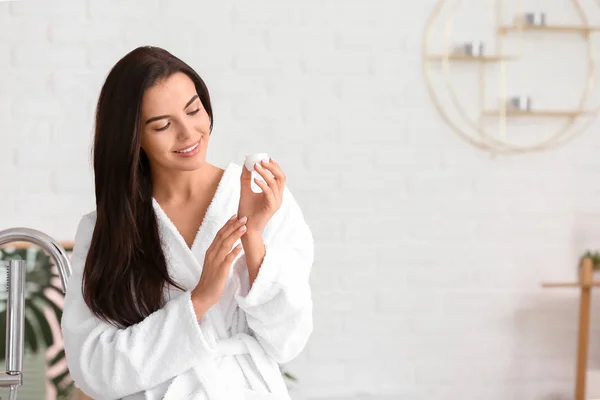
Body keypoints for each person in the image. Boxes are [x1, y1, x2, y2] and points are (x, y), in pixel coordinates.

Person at [60, 46, 315, 400]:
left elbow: (288, 339)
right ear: (133, 138)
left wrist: (253, 238)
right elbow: (93, 366)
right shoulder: (106, 229)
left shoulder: (261, 198)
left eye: (194, 110)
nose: (189, 133)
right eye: (163, 125)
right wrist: (198, 301)